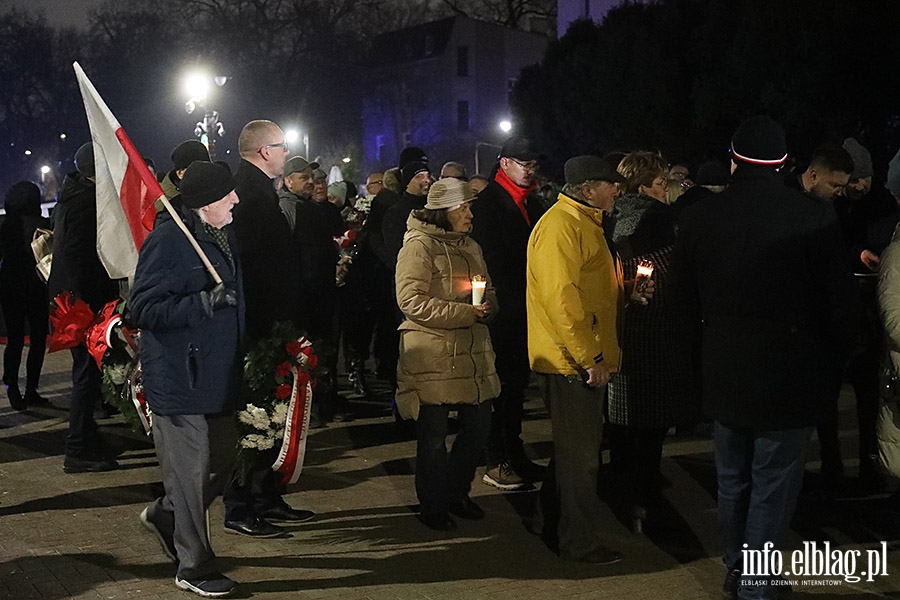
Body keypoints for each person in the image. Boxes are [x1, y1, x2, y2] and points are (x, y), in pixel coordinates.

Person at [675, 116, 858, 600]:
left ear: (734, 161)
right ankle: (759, 587)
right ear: (783, 163)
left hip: (723, 370)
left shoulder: (697, 217)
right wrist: (838, 359)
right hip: (789, 374)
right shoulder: (811, 217)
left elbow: (682, 304)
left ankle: (740, 575)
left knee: (733, 483)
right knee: (773, 487)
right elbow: (838, 303)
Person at [131, 161, 242, 598]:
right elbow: (143, 308)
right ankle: (193, 565)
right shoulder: (170, 241)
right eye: (228, 195)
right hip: (180, 378)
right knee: (191, 475)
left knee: (224, 461)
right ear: (206, 203)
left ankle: (167, 513)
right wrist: (204, 302)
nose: (236, 200)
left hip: (216, 374)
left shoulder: (220, 235)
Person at [526, 155, 627, 564]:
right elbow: (562, 300)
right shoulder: (562, 226)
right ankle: (578, 540)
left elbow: (586, 289)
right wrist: (590, 359)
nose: (617, 190)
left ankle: (549, 521)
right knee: (581, 460)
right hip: (572, 361)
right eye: (609, 184)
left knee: (573, 452)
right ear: (587, 190)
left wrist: (624, 295)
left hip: (579, 355)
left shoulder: (583, 223)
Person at [395, 177, 500, 531]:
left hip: (470, 353)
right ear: (444, 212)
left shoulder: (470, 245)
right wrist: (465, 312)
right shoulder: (419, 246)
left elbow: (485, 287)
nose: (470, 214)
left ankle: (457, 492)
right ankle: (434, 503)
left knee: (478, 426)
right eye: (463, 208)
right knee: (434, 437)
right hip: (431, 355)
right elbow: (410, 300)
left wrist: (488, 305)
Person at [224, 120, 312, 538]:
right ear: (264, 152)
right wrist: (275, 324)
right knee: (255, 416)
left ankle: (264, 494)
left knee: (273, 415)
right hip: (261, 326)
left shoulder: (258, 189)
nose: (285, 151)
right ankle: (240, 503)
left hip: (272, 323)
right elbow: (255, 267)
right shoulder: (249, 194)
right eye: (281, 146)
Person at [608, 151, 694, 534]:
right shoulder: (659, 221)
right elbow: (673, 278)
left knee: (624, 427)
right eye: (659, 183)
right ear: (643, 187)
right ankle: (644, 499)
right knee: (651, 427)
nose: (665, 190)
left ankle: (622, 491)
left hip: (622, 331)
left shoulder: (610, 220)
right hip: (657, 331)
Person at [470, 136, 548, 490]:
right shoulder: (488, 204)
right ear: (504, 164)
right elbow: (492, 259)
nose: (530, 170)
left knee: (515, 386)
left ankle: (513, 453)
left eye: (533, 165)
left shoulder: (531, 202)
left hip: (525, 307)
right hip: (504, 308)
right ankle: (496, 458)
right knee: (500, 386)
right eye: (523, 164)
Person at [48, 142, 121, 473]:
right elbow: (80, 259)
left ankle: (88, 438)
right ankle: (76, 448)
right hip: (80, 305)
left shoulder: (73, 196)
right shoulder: (83, 203)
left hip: (75, 299)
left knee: (88, 375)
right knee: (85, 376)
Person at [0, 181, 50, 410]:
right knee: (39, 338)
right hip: (37, 287)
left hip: (10, 287)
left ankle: (12, 386)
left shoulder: (5, 226)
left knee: (15, 339)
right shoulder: (41, 224)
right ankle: (32, 389)